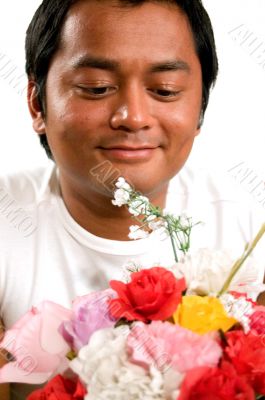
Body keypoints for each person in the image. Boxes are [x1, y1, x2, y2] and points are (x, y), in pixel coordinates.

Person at [0, 0, 264, 398]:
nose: (133, 116)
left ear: (200, 108)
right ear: (38, 103)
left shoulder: (251, 222)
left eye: (164, 90)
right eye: (97, 88)